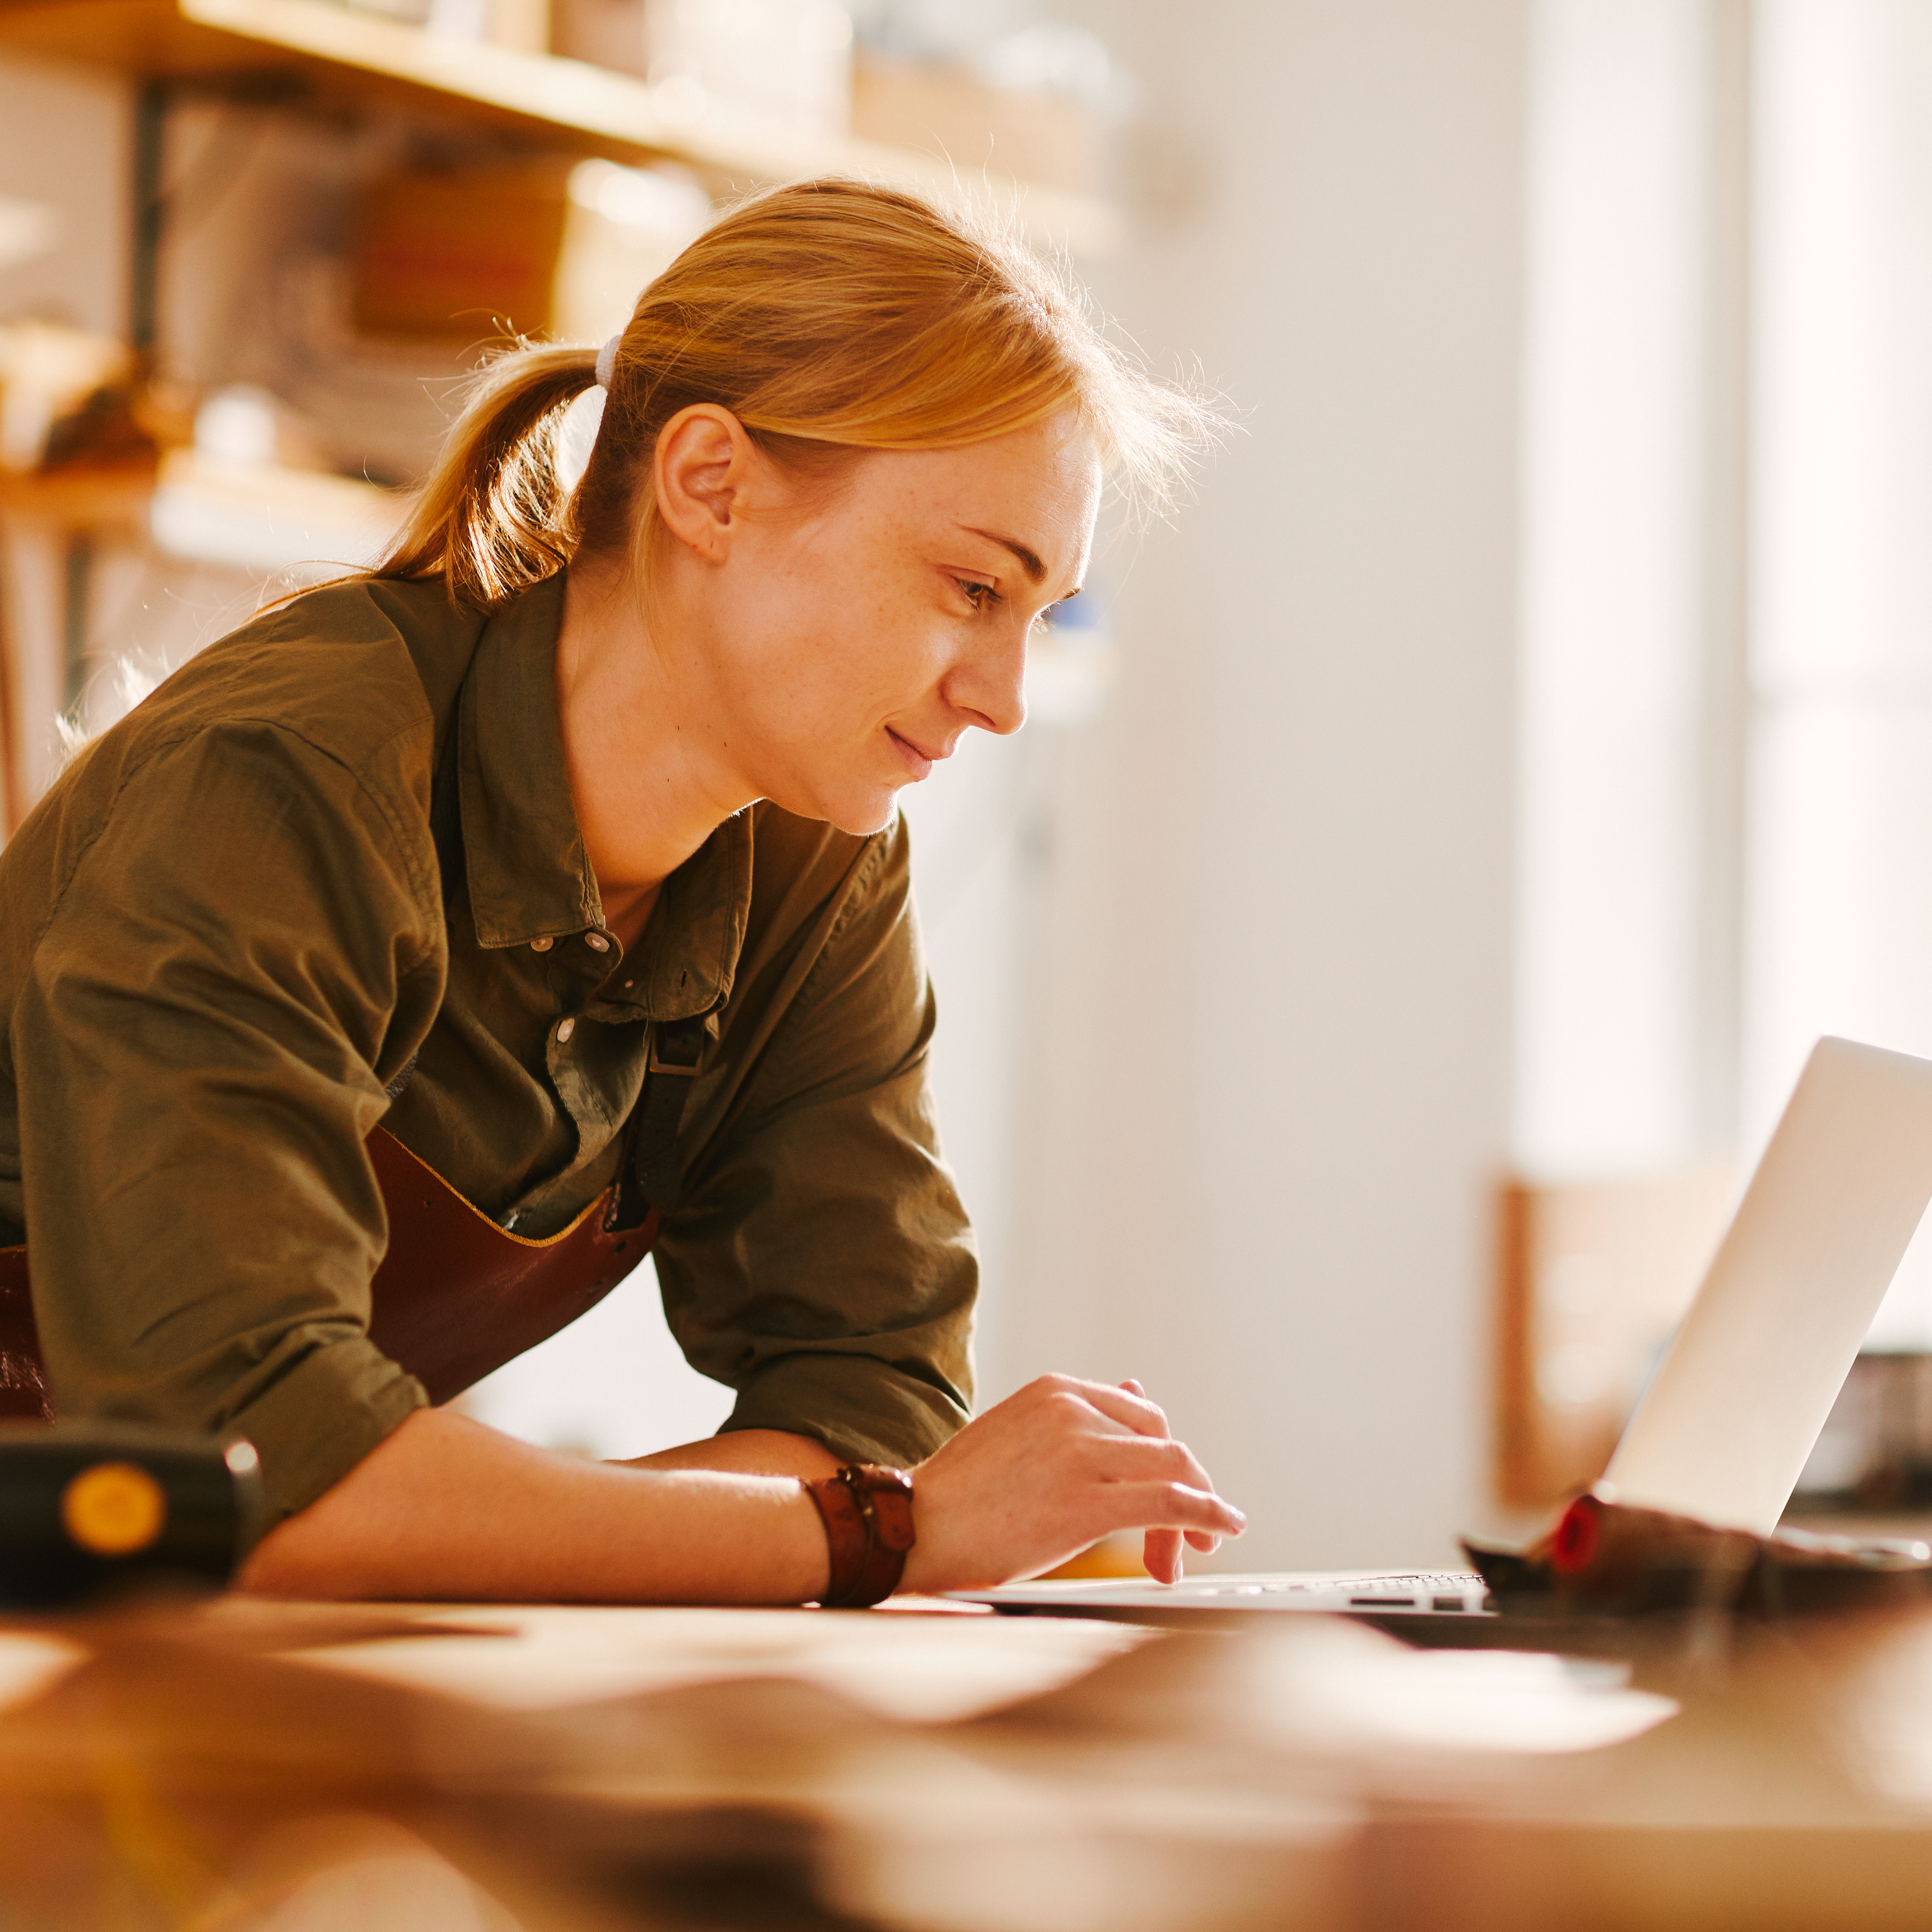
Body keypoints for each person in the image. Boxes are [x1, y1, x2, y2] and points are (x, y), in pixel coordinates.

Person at [0, 179, 1243, 1605]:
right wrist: (869, 1534)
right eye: (972, 589)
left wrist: (847, 1515)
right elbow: (243, 1465)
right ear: (711, 484)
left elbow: (869, 1406)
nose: (1007, 700)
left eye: (1042, 615)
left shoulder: (811, 867)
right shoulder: (286, 776)